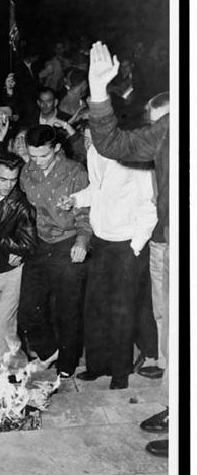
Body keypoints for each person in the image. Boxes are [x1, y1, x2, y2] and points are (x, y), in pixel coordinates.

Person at [87, 40, 170, 456]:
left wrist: (136, 244)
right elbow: (113, 146)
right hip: (165, 245)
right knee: (171, 331)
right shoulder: (168, 130)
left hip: (141, 244)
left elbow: (143, 203)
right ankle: (177, 411)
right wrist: (98, 91)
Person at [57, 126, 157, 389]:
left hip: (126, 245)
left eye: (95, 138)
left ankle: (120, 373)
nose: (90, 142)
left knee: (121, 311)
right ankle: (96, 366)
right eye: (88, 138)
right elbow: (95, 189)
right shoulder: (93, 154)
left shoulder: (134, 159)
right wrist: (75, 200)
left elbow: (149, 203)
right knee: (95, 307)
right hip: (100, 242)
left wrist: (136, 245)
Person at [18, 124, 92, 378]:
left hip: (68, 242)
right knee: (28, 309)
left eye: (43, 156)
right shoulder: (27, 171)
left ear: (57, 148)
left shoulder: (75, 172)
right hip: (40, 244)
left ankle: (67, 364)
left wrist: (82, 241)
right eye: (32, 155)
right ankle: (50, 351)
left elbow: (86, 211)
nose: (37, 162)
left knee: (67, 310)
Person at [0, 152, 37, 357]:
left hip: (12, 271)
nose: (8, 185)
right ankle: (13, 369)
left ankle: (11, 372)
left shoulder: (21, 205)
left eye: (13, 179)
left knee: (2, 324)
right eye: (3, 179)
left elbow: (29, 244)